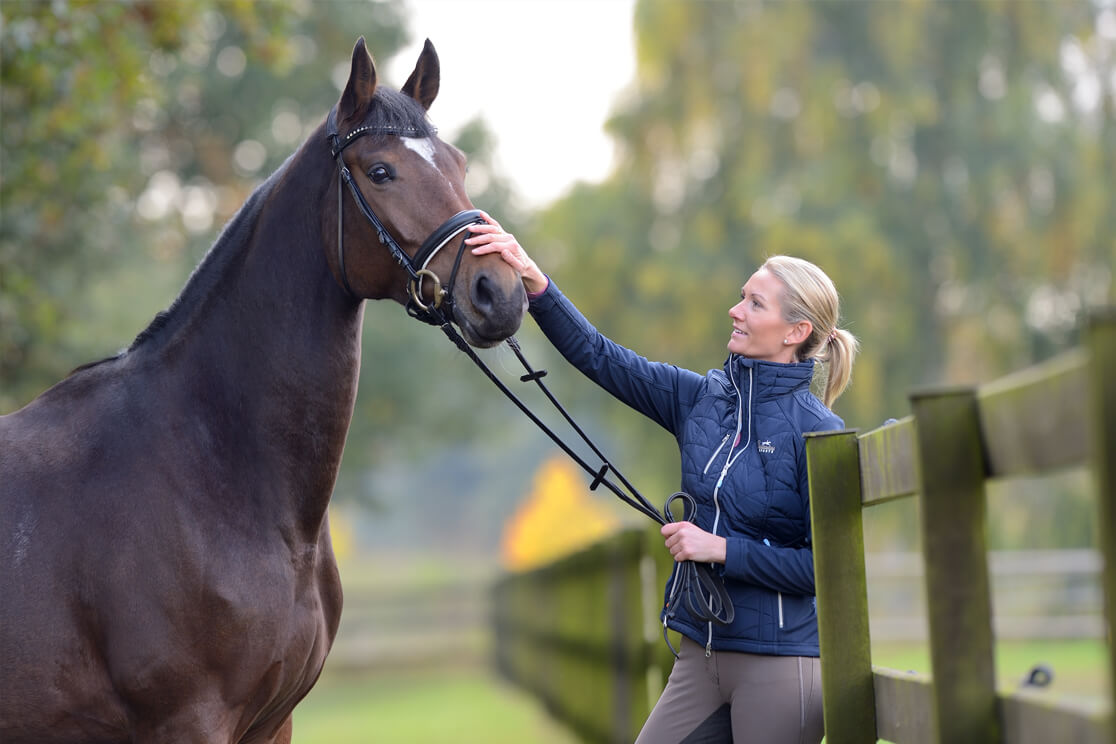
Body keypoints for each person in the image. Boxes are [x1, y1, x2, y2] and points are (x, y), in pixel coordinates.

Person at [467, 214, 858, 744]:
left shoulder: (821, 431)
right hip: (701, 652)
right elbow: (600, 357)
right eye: (742, 296)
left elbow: (824, 570)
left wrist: (720, 548)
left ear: (796, 332)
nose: (735, 310)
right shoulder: (699, 398)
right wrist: (536, 282)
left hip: (780, 664)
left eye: (754, 304)